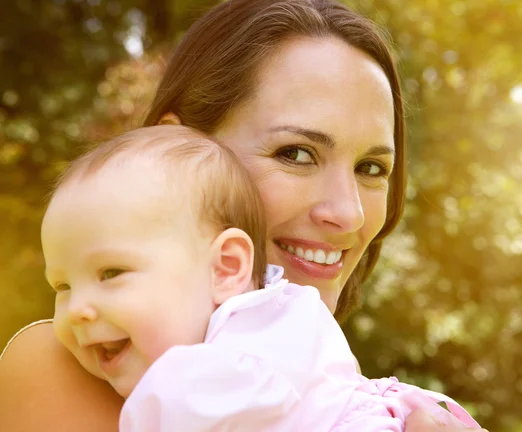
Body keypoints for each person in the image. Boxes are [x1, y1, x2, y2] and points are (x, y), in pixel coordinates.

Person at [0, 1, 488, 431]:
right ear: (179, 143)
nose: (349, 212)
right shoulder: (66, 368)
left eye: (371, 168)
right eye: (296, 154)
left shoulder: (355, 403)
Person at [40, 123, 479, 431]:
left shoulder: (245, 353)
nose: (77, 310)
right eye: (62, 286)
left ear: (227, 267)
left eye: (112, 273)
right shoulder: (47, 364)